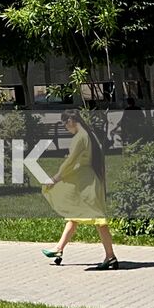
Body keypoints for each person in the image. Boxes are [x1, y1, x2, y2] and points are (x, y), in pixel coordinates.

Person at [41, 108, 119, 270]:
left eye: (65, 125)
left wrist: (56, 178)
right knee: (76, 215)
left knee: (99, 220)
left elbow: (71, 161)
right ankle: (59, 249)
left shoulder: (80, 137)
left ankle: (110, 256)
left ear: (71, 121)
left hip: (86, 183)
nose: (66, 128)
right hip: (86, 180)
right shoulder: (88, 135)